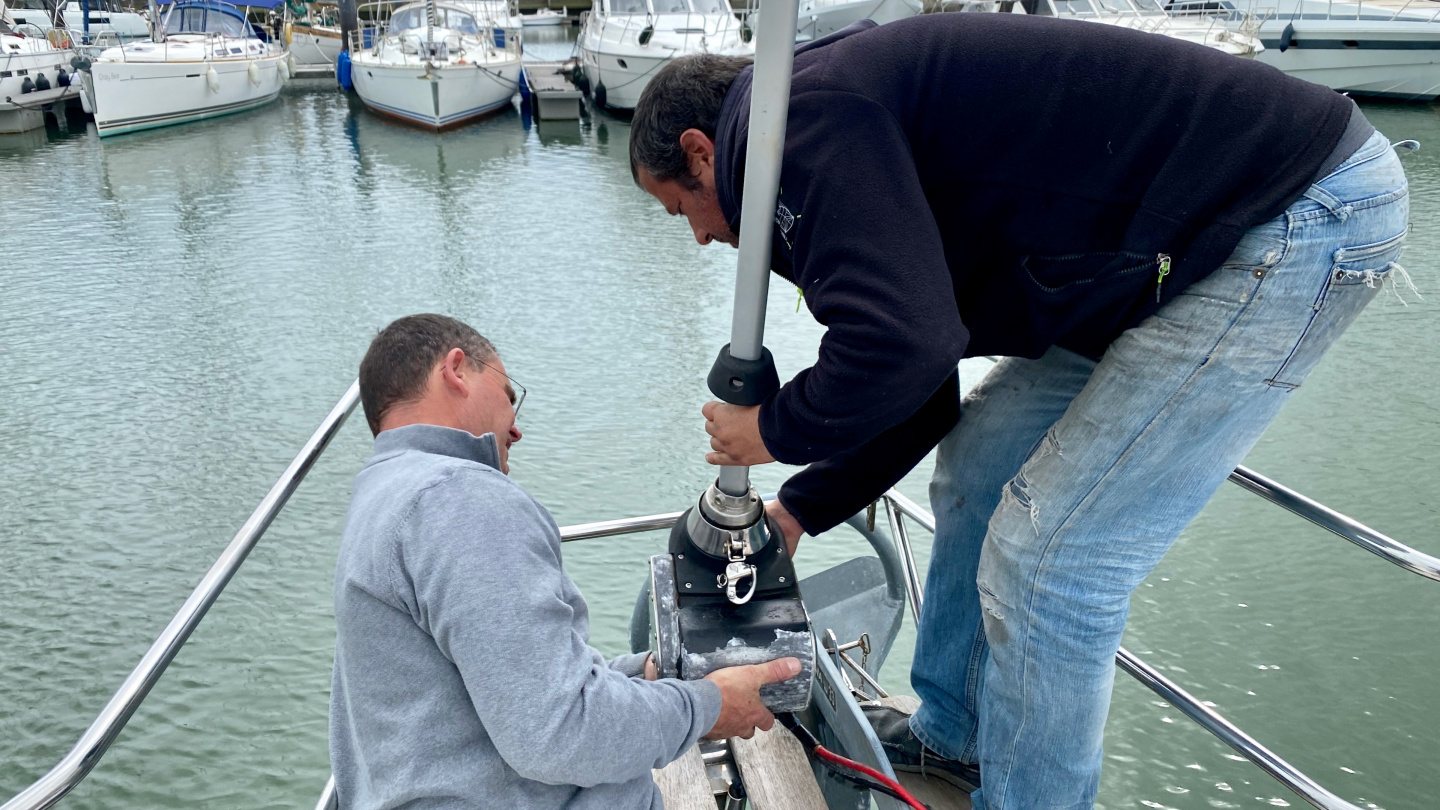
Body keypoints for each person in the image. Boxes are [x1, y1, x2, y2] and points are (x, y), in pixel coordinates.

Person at [628, 15, 1411, 810]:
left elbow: (906, 343)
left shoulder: (793, 125)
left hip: (1290, 213)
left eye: (679, 209)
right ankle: (958, 739)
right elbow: (920, 380)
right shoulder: (808, 124)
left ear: (701, 151)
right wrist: (798, 511)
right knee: (981, 463)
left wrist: (771, 429)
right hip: (1156, 251)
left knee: (1053, 561)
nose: (697, 237)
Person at [329, 313, 802, 809]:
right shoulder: (460, 498)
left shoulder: (382, 497)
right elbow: (561, 733)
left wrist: (648, 673)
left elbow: (497, 695)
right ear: (456, 370)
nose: (515, 431)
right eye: (510, 396)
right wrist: (709, 706)